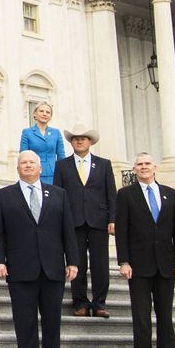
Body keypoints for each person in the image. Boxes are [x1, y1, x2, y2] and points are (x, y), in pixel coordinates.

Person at [0, 149, 77, 348]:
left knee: (52, 320)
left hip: (53, 268)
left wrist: (73, 261)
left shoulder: (59, 195)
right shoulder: (3, 196)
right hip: (20, 268)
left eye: (32, 162)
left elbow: (68, 230)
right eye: (23, 163)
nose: (28, 166)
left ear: (40, 168)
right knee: (24, 319)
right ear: (17, 168)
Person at [114, 153, 175, 348]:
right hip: (138, 266)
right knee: (141, 317)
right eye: (139, 164)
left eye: (147, 164)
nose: (144, 167)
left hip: (166, 265)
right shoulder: (125, 195)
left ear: (155, 167)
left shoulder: (170, 194)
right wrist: (123, 261)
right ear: (134, 169)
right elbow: (122, 231)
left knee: (166, 316)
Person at [54, 126, 115, 318]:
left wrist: (113, 219)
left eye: (83, 139)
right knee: (76, 262)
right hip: (73, 221)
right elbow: (58, 196)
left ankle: (99, 303)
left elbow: (111, 194)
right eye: (76, 139)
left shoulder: (103, 164)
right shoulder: (62, 165)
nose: (79, 141)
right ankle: (79, 302)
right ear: (71, 143)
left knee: (100, 264)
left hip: (98, 221)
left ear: (90, 142)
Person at [19, 102, 69, 184]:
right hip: (33, 172)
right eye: (41, 111)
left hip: (53, 174)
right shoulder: (27, 132)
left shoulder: (56, 133)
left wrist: (64, 174)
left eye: (47, 112)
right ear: (35, 113)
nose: (44, 114)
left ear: (51, 116)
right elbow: (23, 155)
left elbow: (61, 156)